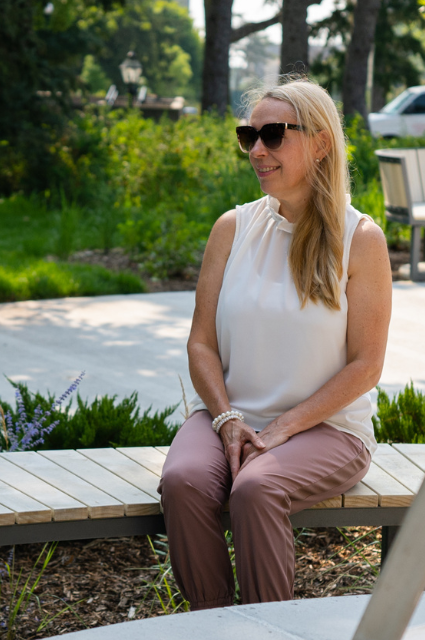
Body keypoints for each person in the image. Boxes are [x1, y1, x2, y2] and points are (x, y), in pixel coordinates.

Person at [158, 78, 393, 609]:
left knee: (257, 488)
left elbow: (366, 365)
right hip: (229, 417)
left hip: (328, 429)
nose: (257, 150)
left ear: (320, 143)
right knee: (184, 481)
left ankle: (271, 630)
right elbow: (201, 345)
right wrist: (226, 419)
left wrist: (285, 426)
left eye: (272, 135)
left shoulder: (361, 240)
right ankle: (213, 624)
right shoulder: (232, 228)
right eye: (249, 136)